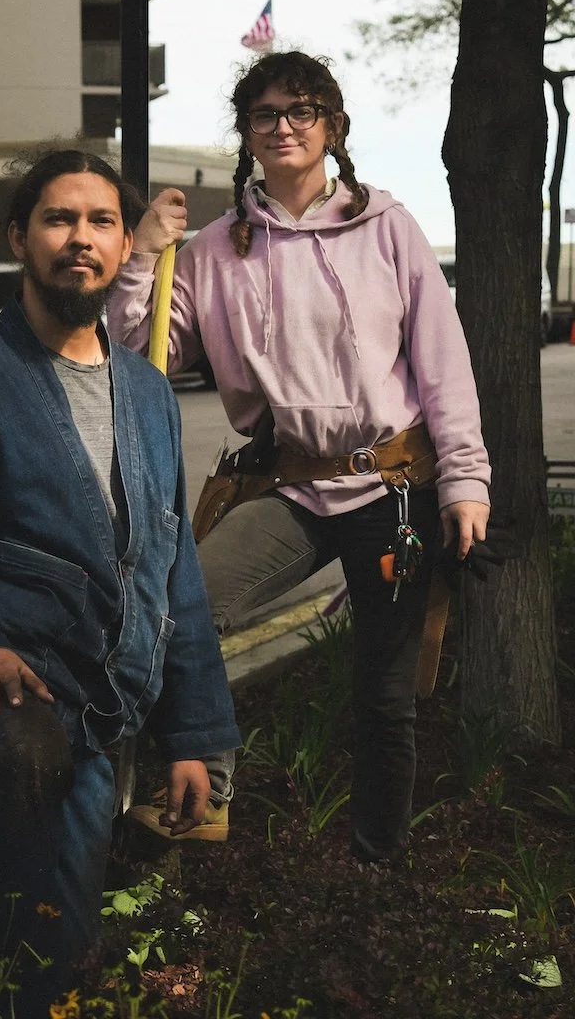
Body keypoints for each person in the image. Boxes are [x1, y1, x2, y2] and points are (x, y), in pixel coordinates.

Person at [0, 149, 240, 1012]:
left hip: (119, 690)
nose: (81, 239)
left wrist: (195, 735)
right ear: (19, 240)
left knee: (128, 931)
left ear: (122, 243)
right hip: (13, 696)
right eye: (59, 219)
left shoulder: (147, 393)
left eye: (101, 221)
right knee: (38, 929)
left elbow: (172, 569)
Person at [106, 51, 491, 863]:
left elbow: (442, 363)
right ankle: (202, 793)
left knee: (385, 696)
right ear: (246, 134)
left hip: (395, 490)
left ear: (334, 128)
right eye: (264, 115)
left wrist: (465, 481)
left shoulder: (386, 226)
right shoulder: (212, 248)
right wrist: (141, 257)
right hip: (292, 487)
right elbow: (143, 355)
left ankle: (375, 867)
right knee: (188, 612)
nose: (282, 126)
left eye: (301, 111)